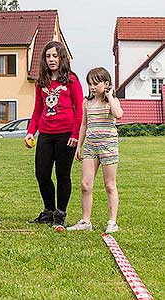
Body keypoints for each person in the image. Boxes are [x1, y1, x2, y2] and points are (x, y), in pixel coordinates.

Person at [24, 41, 83, 228]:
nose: (51, 60)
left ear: (62, 58)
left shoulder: (71, 80)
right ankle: (49, 210)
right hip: (46, 135)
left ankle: (60, 213)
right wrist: (30, 132)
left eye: (55, 56)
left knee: (62, 175)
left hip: (66, 135)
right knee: (41, 174)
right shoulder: (41, 82)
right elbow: (37, 110)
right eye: (48, 56)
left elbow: (79, 110)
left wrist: (75, 135)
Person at [68, 67, 123, 233]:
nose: (92, 87)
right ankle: (86, 222)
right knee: (85, 185)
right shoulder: (87, 102)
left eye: (95, 83)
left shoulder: (112, 102)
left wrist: (110, 95)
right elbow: (84, 124)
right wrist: (79, 145)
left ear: (106, 83)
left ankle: (112, 222)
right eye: (89, 83)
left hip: (108, 147)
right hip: (91, 147)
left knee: (109, 185)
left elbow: (118, 114)